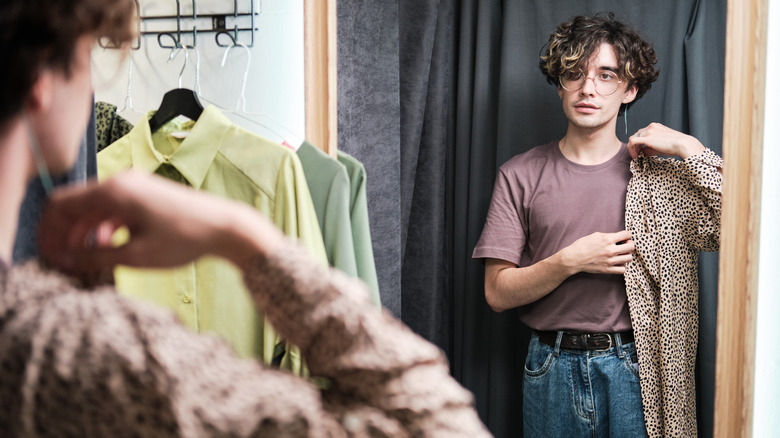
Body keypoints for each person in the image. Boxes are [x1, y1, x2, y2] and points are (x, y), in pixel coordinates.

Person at [0, 0, 491, 436]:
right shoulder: (59, 346)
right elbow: (440, 422)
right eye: (89, 57)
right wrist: (245, 238)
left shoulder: (40, 335)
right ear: (43, 80)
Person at [472, 13, 722, 438]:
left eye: (606, 75)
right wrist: (569, 261)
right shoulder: (519, 174)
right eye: (574, 73)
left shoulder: (658, 178)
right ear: (559, 84)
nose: (588, 87)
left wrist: (689, 147)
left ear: (630, 89)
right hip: (549, 369)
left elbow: (744, 227)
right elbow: (496, 293)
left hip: (638, 370)